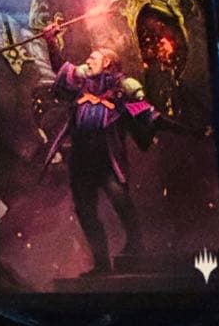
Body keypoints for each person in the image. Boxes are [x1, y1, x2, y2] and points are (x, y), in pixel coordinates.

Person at [42, 24, 157, 275]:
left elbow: (147, 112)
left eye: (93, 58)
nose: (87, 61)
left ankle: (136, 246)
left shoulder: (120, 88)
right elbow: (61, 69)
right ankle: (102, 263)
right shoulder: (82, 86)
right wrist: (51, 41)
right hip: (82, 161)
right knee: (85, 211)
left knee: (121, 202)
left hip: (107, 160)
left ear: (107, 63)